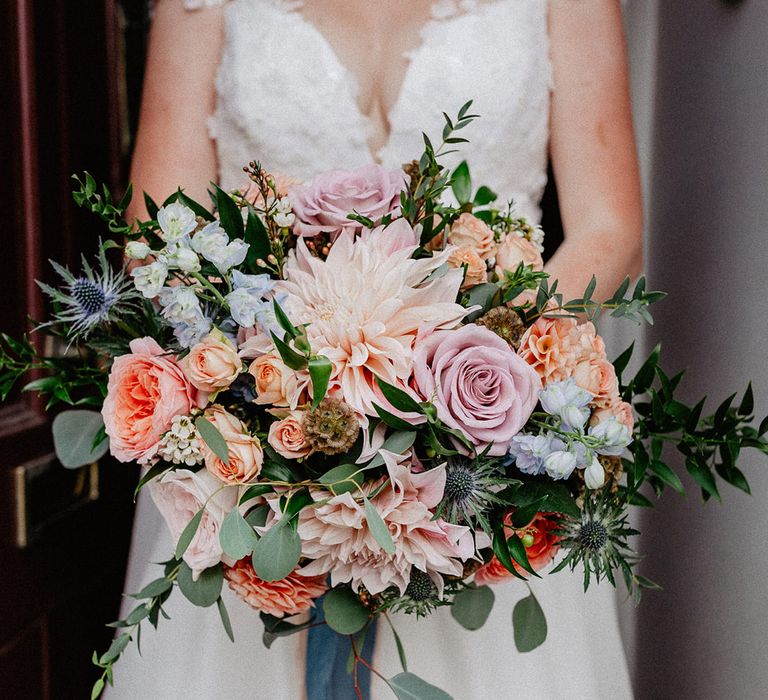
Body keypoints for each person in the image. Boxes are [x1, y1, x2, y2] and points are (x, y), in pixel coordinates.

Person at [110, 1, 643, 698]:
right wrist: (279, 386)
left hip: (492, 470)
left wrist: (478, 376)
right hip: (259, 471)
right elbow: (156, 232)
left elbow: (610, 226)